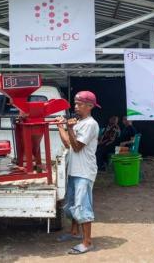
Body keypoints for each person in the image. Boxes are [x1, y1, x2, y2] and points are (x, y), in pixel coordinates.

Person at [55, 91, 100, 255]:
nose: (75, 107)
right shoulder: (79, 123)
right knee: (71, 204)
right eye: (75, 103)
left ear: (90, 106)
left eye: (79, 104)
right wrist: (61, 127)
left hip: (84, 171)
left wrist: (69, 128)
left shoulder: (90, 124)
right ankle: (74, 232)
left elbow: (77, 146)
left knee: (82, 206)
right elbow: (68, 143)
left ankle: (87, 242)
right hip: (75, 170)